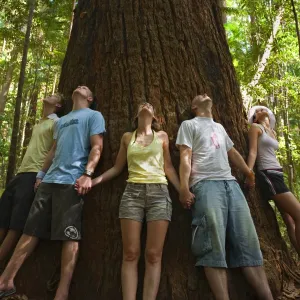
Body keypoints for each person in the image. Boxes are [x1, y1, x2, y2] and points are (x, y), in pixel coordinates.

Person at [0, 86, 105, 300]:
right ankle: (5, 280)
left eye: (85, 88)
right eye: (79, 86)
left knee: (69, 234)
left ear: (90, 98)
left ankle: (62, 292)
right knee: (30, 231)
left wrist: (87, 173)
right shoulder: (63, 120)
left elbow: (96, 146)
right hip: (48, 181)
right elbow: (53, 149)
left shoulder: (94, 116)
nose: (81, 87)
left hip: (71, 181)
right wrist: (40, 174)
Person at [176, 95, 273, 300]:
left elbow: (232, 152)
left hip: (231, 185)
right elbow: (185, 157)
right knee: (212, 245)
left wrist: (248, 172)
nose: (204, 94)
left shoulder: (219, 127)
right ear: (194, 107)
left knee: (248, 245)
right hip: (205, 185)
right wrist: (184, 187)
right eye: (198, 96)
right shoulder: (188, 124)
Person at [90, 102, 182, 300]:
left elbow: (169, 168)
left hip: (159, 193)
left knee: (153, 255)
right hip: (132, 193)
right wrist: (94, 180)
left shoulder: (162, 136)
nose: (145, 105)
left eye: (149, 105)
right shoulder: (127, 137)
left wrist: (183, 190)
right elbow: (117, 168)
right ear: (136, 115)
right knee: (130, 253)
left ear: (155, 117)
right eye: (141, 105)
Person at [0, 94, 62, 267]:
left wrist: (42, 174)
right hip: (20, 173)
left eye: (54, 96)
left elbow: (55, 149)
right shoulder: (38, 123)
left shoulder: (57, 122)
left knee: (16, 224)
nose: (49, 95)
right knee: (3, 218)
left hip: (34, 174)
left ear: (57, 105)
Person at [247, 105, 300, 256]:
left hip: (277, 174)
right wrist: (249, 172)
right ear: (255, 118)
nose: (259, 110)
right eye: (256, 112)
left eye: (262, 108)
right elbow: (253, 152)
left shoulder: (273, 132)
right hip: (267, 174)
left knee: (289, 220)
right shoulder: (255, 128)